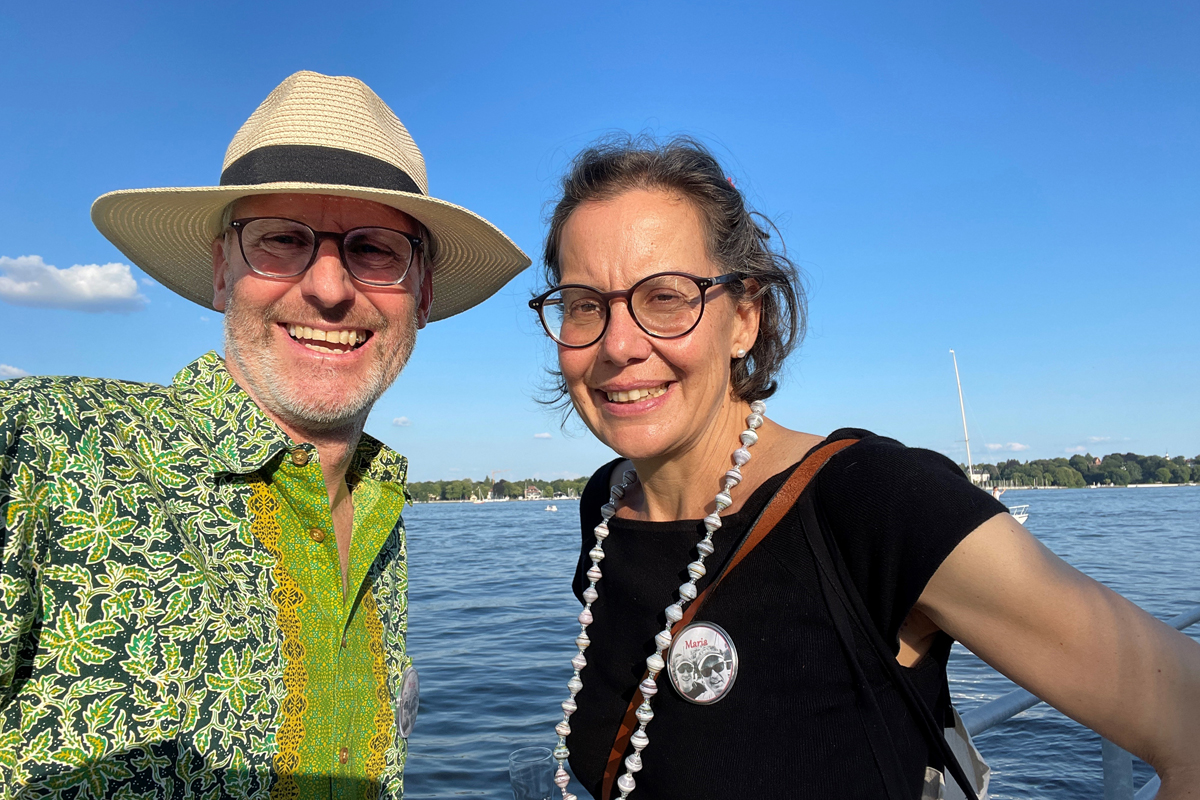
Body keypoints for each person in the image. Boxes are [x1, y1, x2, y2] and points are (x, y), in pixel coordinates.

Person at [528, 136, 1200, 799]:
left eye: (666, 297)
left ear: (745, 318)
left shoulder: (874, 500)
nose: (618, 344)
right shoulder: (608, 507)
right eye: (584, 304)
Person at [0, 71, 529, 798]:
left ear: (423, 294)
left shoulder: (382, 511)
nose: (330, 288)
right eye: (281, 239)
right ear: (223, 270)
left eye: (376, 249)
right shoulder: (45, 450)